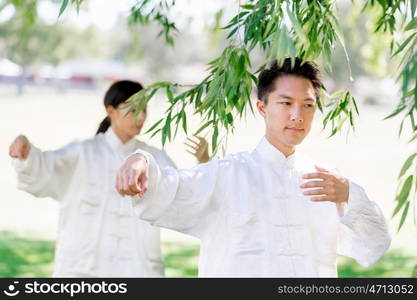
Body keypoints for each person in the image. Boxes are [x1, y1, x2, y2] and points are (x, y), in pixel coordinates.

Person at [115, 59, 391, 277]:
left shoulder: (325, 184)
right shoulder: (227, 175)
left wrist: (349, 195)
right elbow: (165, 191)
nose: (297, 115)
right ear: (262, 107)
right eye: (285, 103)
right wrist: (140, 159)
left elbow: (374, 245)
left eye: (308, 105)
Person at [9, 80, 208, 277]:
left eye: (144, 110)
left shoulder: (154, 158)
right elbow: (42, 169)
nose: (141, 117)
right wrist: (26, 153)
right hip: (83, 271)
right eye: (132, 109)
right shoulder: (82, 153)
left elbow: (183, 196)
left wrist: (204, 161)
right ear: (111, 111)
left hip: (138, 270)